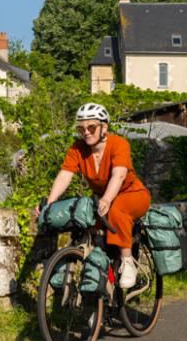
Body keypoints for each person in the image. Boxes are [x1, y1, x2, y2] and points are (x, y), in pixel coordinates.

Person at [36, 102, 151, 289]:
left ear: (104, 127)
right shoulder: (77, 149)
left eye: (91, 127)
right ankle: (98, 293)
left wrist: (106, 199)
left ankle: (127, 260)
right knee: (85, 225)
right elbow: (65, 175)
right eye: (81, 128)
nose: (86, 132)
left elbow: (119, 175)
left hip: (131, 194)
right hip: (101, 198)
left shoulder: (118, 144)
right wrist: (49, 204)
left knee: (116, 210)